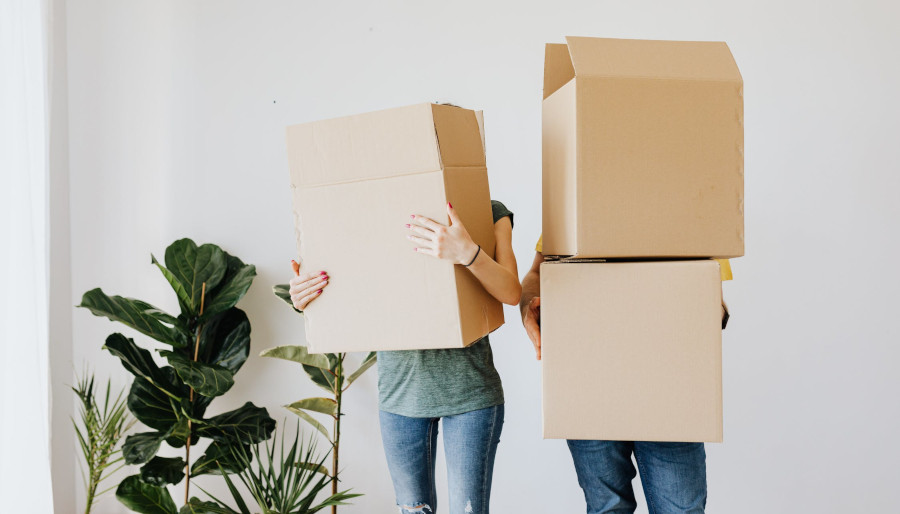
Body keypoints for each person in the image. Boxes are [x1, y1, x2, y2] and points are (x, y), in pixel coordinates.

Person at [289, 201, 520, 514]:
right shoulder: (371, 210)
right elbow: (348, 287)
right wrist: (307, 297)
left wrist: (468, 253)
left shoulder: (488, 210)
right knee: (413, 511)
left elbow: (511, 292)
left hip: (471, 395)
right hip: (400, 397)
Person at [519, 235, 730, 514]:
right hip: (588, 378)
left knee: (682, 510)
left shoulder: (689, 204)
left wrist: (705, 313)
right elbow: (538, 270)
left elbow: (709, 285)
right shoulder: (577, 198)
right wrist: (528, 308)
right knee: (608, 508)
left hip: (668, 385)